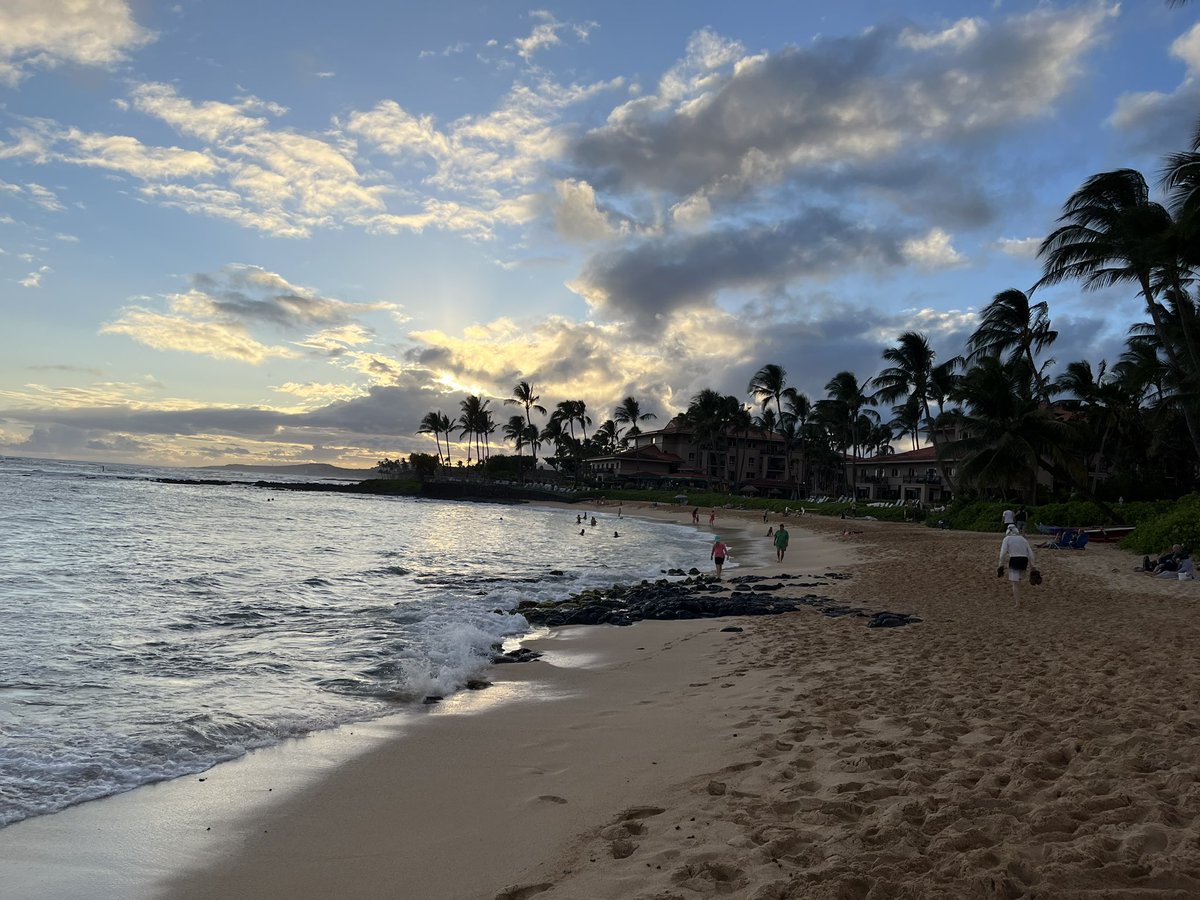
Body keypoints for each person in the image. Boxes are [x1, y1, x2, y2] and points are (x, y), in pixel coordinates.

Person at [998, 524, 1035, 607]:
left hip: (1014, 560)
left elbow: (1003, 553)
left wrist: (1000, 564)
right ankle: (1019, 599)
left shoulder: (1007, 539)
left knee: (1015, 583)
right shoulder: (1023, 539)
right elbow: (1030, 553)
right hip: (1024, 560)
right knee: (1019, 580)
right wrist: (1033, 566)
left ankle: (1017, 603)